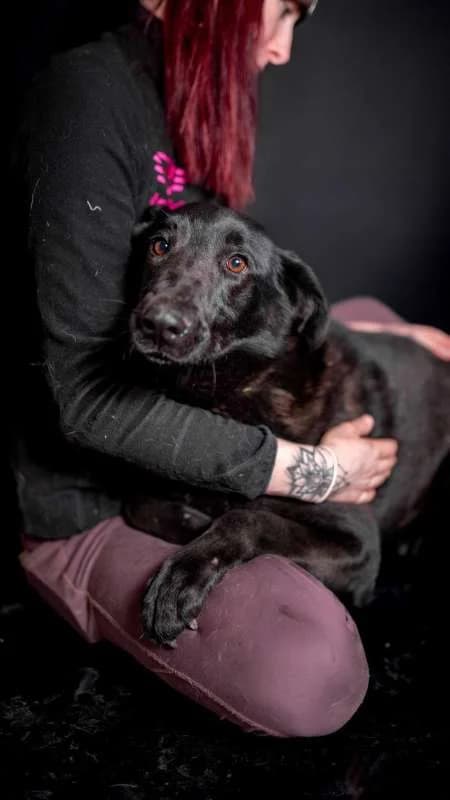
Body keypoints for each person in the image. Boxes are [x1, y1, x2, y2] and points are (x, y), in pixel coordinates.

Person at [12, 0, 450, 738]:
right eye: (281, 12)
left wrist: (365, 334)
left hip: (187, 398)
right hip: (84, 494)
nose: (280, 50)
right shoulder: (86, 100)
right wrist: (315, 471)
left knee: (380, 324)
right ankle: (75, 577)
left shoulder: (180, 99)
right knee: (315, 672)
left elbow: (227, 270)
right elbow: (82, 400)